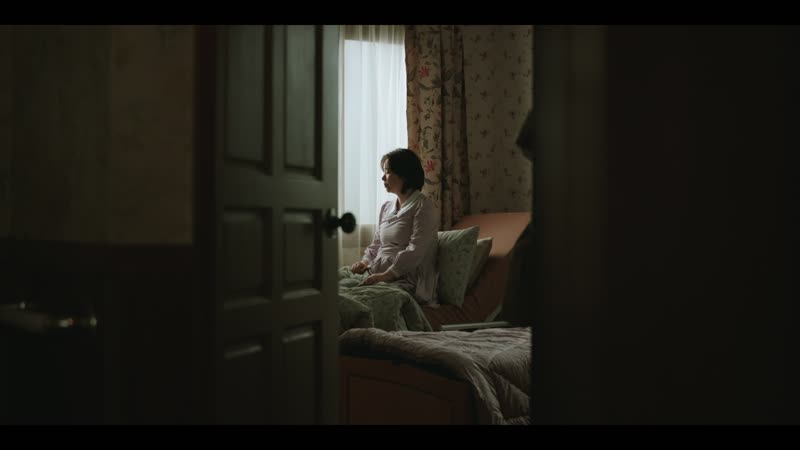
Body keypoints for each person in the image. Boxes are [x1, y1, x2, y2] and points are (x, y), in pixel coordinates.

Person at [348, 148, 439, 305]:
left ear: (404, 174)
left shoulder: (423, 206)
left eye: (388, 172)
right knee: (332, 288)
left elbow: (416, 251)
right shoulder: (386, 207)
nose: (383, 177)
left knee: (361, 301)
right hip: (376, 271)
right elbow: (377, 244)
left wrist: (384, 276)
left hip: (405, 278)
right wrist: (364, 263)